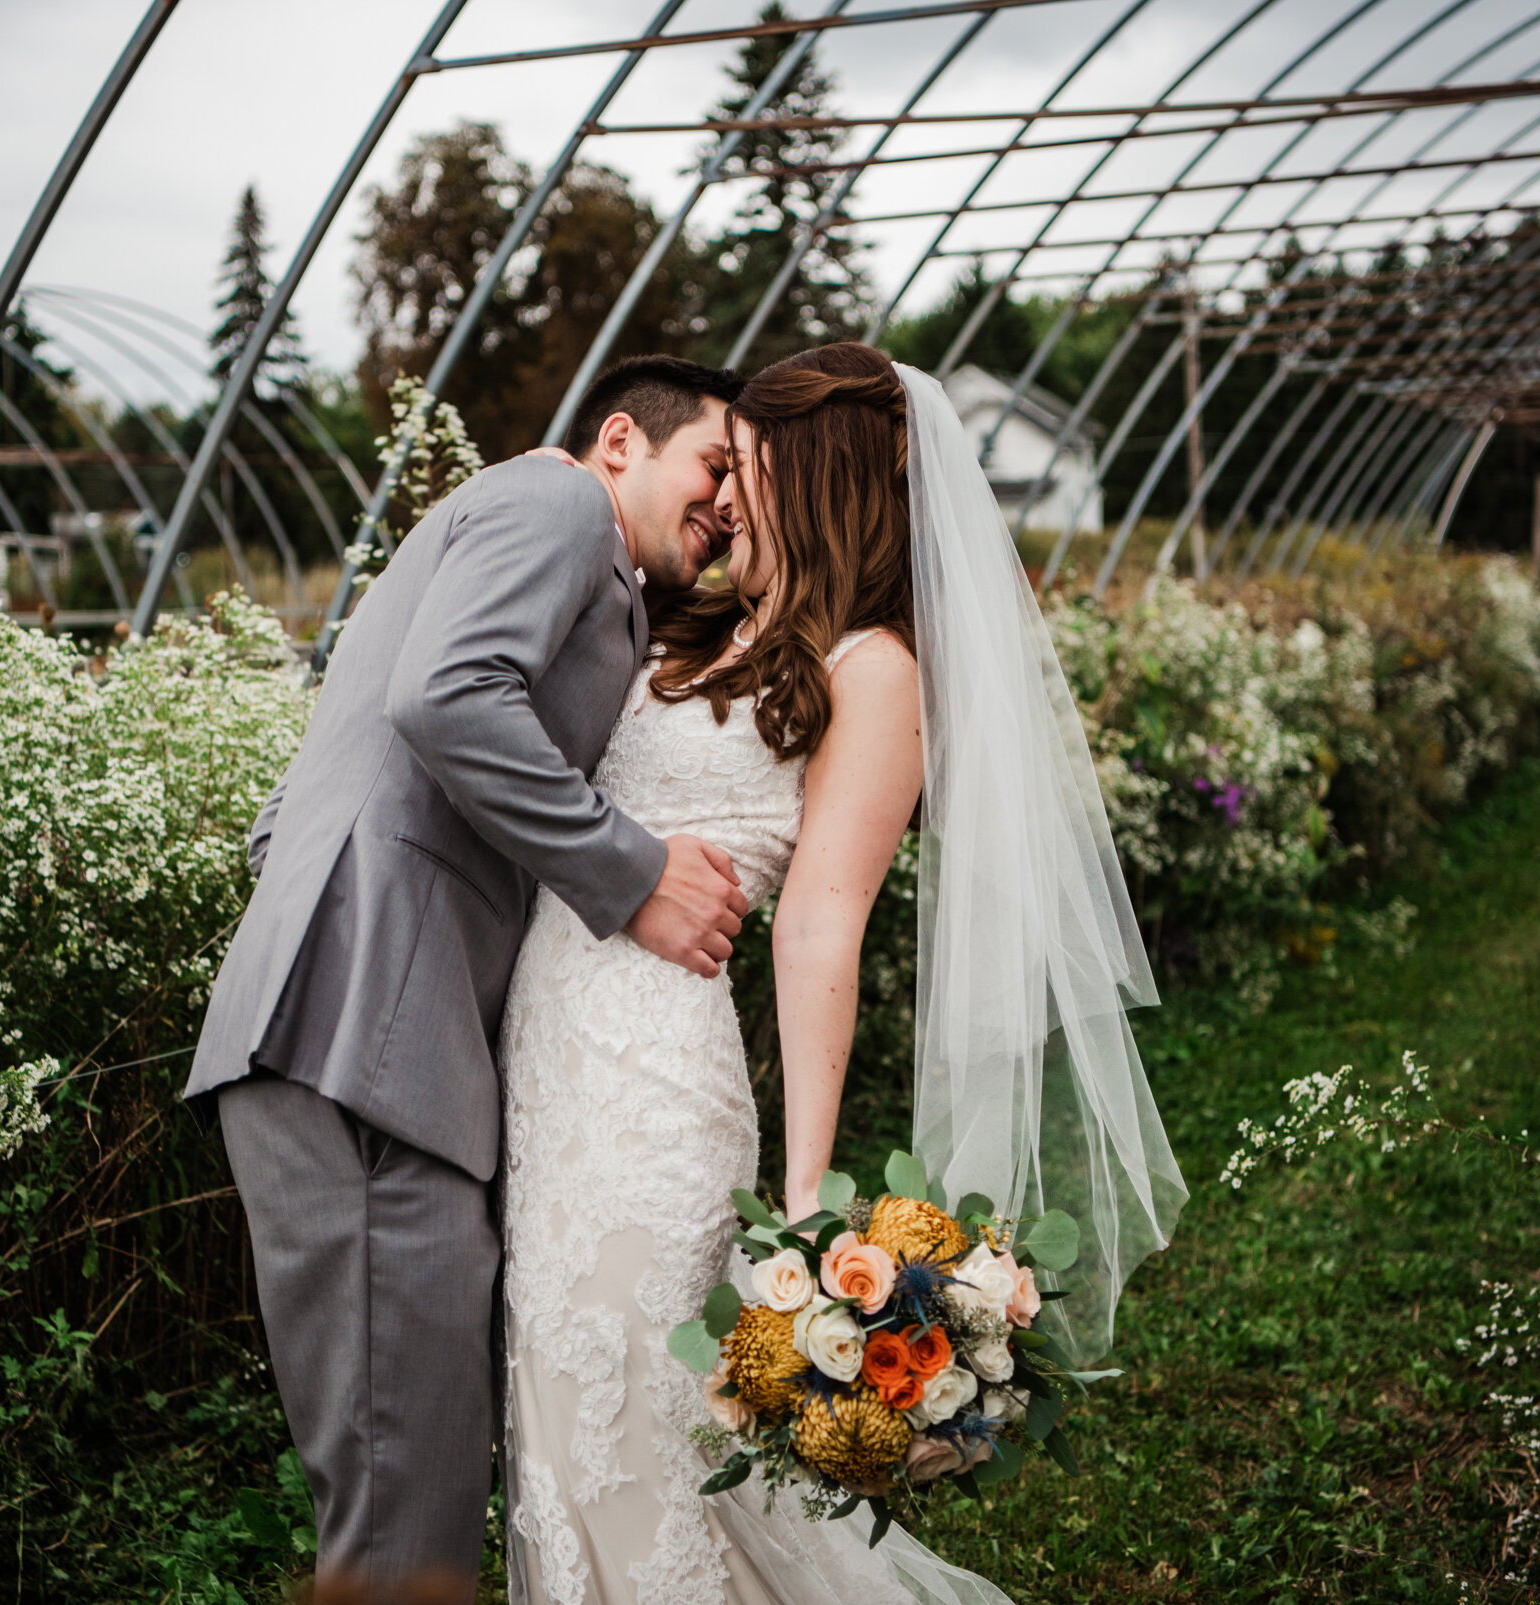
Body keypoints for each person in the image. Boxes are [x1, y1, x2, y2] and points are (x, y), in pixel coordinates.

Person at [498, 343, 1185, 1604]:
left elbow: (821, 924)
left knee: (643, 1425)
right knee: (558, 1408)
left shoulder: (873, 670)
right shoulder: (695, 616)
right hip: (544, 1068)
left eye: (744, 466)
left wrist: (810, 1196)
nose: (724, 496)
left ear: (807, 481)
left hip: (654, 1085)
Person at [186, 355, 755, 1593]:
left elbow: (290, 815)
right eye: (716, 467)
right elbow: (445, 698)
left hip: (366, 1039)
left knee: (408, 1500)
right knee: (405, 1525)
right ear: (621, 440)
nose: (727, 510)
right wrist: (634, 872)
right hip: (366, 1059)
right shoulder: (556, 505)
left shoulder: (568, 559)